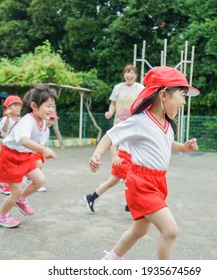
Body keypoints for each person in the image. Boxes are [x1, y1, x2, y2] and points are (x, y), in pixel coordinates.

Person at [89, 66, 200, 259]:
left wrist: (183, 147)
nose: (183, 101)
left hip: (158, 182)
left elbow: (164, 143)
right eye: (182, 95)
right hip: (141, 183)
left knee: (139, 230)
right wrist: (97, 154)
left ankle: (111, 259)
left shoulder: (167, 123)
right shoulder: (140, 120)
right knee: (170, 230)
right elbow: (111, 135)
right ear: (163, 95)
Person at [0, 85, 57, 228]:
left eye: (53, 106)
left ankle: (21, 199)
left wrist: (41, 150)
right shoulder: (27, 120)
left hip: (25, 155)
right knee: (16, 191)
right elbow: (24, 140)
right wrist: (42, 149)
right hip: (10, 157)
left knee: (40, 180)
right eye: (48, 106)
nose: (51, 110)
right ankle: (0, 216)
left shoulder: (43, 122)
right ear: (34, 105)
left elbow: (34, 141)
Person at [84, 64, 144, 214]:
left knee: (112, 182)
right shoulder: (118, 88)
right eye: (127, 73)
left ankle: (91, 197)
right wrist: (114, 155)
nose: (129, 75)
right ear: (124, 74)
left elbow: (144, 104)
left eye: (132, 73)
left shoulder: (140, 88)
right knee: (133, 179)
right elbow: (113, 104)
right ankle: (130, 205)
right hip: (122, 139)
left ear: (136, 75)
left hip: (132, 127)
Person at [24, 111, 59, 192]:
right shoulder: (38, 127)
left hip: (41, 150)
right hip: (35, 149)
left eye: (53, 120)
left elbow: (46, 140)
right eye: (49, 119)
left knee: (40, 165)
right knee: (38, 164)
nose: (50, 121)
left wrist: (47, 149)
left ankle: (31, 180)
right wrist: (33, 149)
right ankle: (31, 181)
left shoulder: (47, 130)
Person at [0, 95, 23, 195]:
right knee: (6, 166)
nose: (18, 108)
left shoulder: (21, 119)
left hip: (17, 147)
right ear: (8, 108)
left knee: (16, 166)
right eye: (15, 105)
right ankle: (3, 185)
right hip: (7, 147)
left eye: (19, 105)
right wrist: (8, 118)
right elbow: (4, 131)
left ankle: (11, 184)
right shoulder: (5, 119)